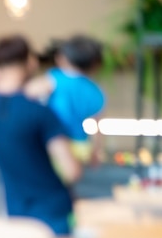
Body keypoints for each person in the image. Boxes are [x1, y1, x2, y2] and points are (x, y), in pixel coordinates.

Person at [0, 35, 82, 236]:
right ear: (31, 62)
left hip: (15, 210)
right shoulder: (40, 112)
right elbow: (72, 170)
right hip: (52, 211)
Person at [25, 35, 106, 164]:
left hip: (55, 143)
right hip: (81, 145)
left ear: (62, 58)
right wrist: (96, 151)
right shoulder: (95, 90)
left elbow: (27, 92)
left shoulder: (55, 79)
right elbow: (97, 126)